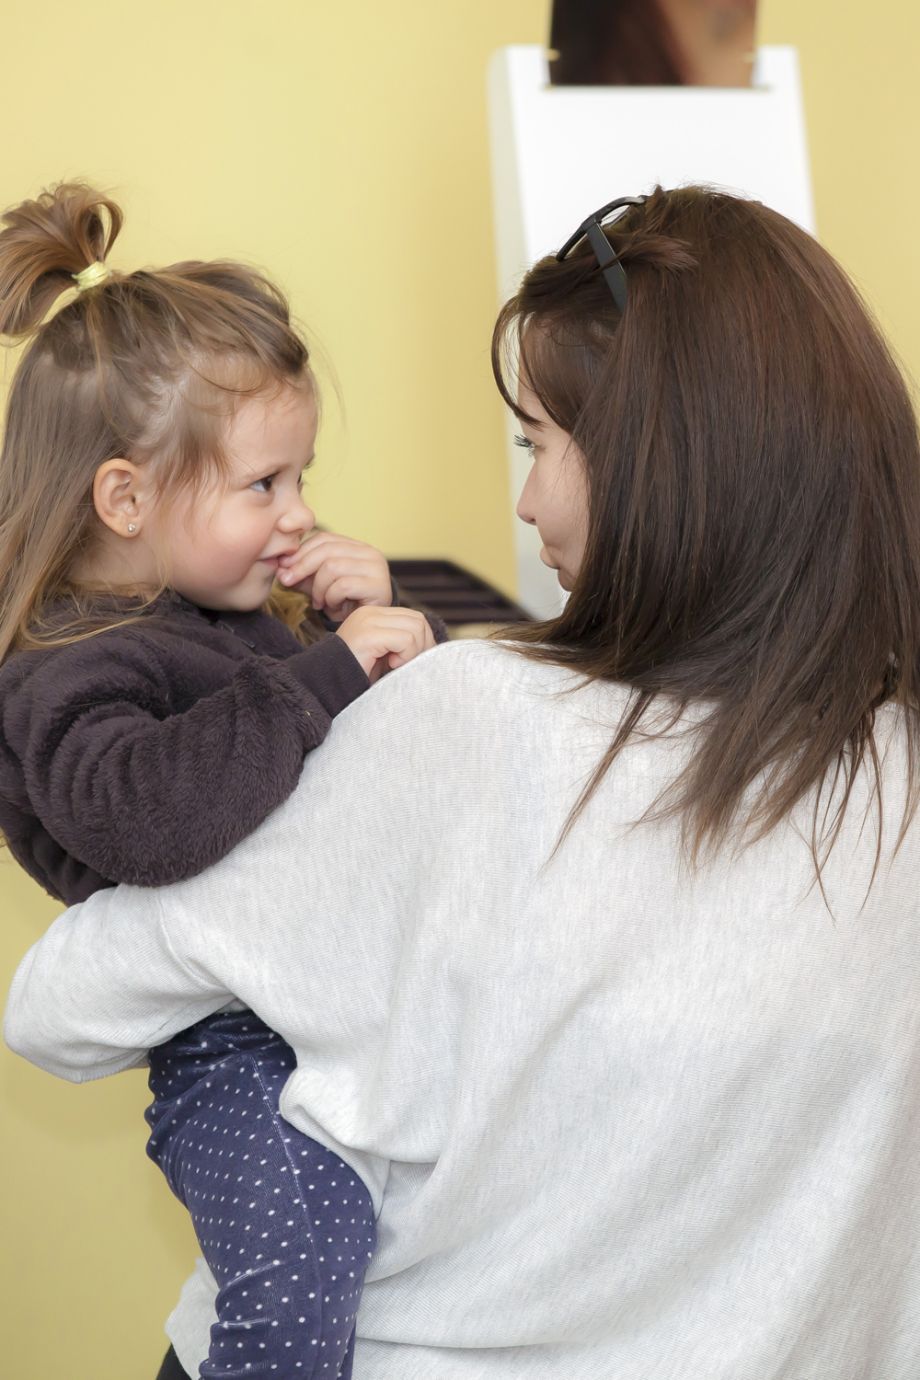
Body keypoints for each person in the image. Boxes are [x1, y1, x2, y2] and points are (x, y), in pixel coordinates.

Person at [8, 186, 920, 1379]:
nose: (526, 499)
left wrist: (351, 680)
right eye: (264, 487)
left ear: (670, 466)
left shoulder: (474, 719)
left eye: (539, 443)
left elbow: (58, 1005)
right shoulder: (886, 774)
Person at [0, 183, 442, 1380]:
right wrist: (325, 674)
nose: (297, 514)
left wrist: (367, 621)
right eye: (265, 488)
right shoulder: (67, 666)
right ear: (125, 498)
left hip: (340, 1004)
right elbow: (147, 817)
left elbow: (385, 788)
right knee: (297, 1281)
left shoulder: (236, 614)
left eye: (301, 478)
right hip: (227, 1047)